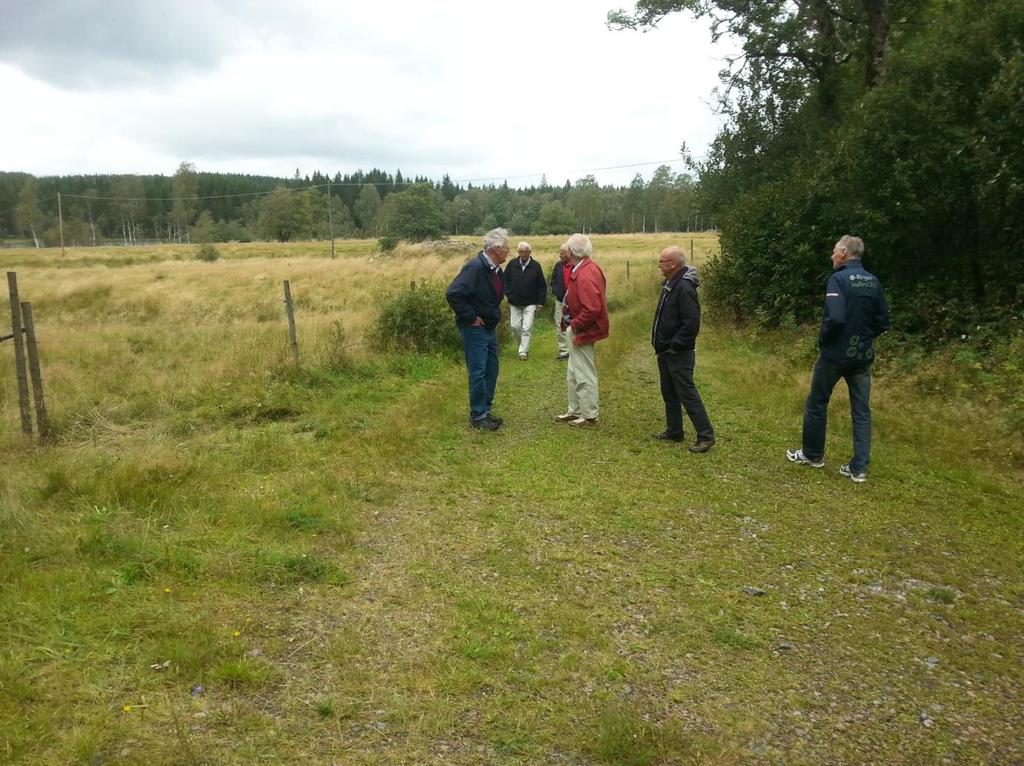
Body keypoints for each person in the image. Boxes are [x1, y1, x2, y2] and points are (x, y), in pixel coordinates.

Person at [786, 235, 890, 481]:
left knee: (817, 403)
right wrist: (864, 337)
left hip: (834, 355)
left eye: (834, 251)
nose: (832, 256)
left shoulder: (838, 279)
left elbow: (835, 318)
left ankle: (813, 455)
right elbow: (883, 322)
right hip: (862, 356)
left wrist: (824, 340)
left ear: (843, 253)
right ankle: (859, 468)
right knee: (861, 411)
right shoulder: (873, 281)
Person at [651, 246, 716, 453]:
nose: (659, 265)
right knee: (669, 392)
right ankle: (674, 431)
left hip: (678, 353)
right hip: (665, 350)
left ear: (674, 264)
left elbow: (691, 323)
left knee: (687, 393)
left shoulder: (685, 287)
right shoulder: (671, 284)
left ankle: (705, 436)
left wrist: (676, 345)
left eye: (662, 261)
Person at [445, 227, 510, 430]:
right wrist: (471, 317)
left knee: (491, 369)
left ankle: (485, 411)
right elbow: (453, 293)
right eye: (507, 247)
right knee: (478, 371)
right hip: (475, 330)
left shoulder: (495, 269)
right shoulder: (475, 267)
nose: (509, 250)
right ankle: (478, 416)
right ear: (497, 249)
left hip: (488, 328)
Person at [556, 233, 609, 427]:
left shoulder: (586, 273)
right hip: (579, 327)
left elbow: (592, 308)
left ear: (571, 251)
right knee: (573, 371)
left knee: (584, 372)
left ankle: (589, 415)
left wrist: (575, 326)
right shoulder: (584, 268)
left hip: (582, 329)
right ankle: (576, 410)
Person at [503, 241, 547, 360]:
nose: (523, 254)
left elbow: (542, 285)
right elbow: (504, 280)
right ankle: (522, 346)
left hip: (531, 302)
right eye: (521, 252)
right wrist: (507, 293)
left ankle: (523, 352)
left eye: (525, 252)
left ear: (529, 252)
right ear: (518, 252)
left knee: (527, 327)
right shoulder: (512, 264)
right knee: (515, 326)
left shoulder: (536, 266)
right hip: (514, 301)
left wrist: (540, 302)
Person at [549, 244, 572, 360]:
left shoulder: (576, 265)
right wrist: (556, 292)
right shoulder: (558, 266)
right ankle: (564, 352)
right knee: (559, 324)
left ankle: (574, 349)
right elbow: (553, 281)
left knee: (573, 324)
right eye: (560, 253)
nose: (560, 255)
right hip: (560, 300)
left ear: (569, 253)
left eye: (562, 253)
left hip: (574, 302)